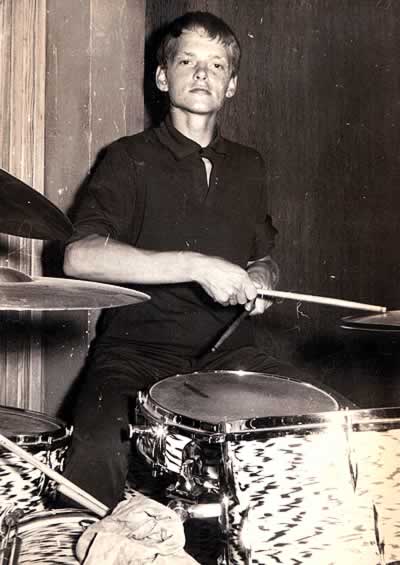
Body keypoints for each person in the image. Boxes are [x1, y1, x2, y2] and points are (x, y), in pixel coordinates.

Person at [61, 11, 310, 510]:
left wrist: (260, 276)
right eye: (187, 61)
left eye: (216, 65)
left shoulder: (249, 165)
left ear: (232, 85)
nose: (201, 73)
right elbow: (78, 257)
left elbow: (264, 257)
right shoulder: (127, 157)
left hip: (229, 355)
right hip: (135, 353)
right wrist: (196, 265)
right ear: (162, 77)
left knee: (323, 425)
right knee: (97, 449)